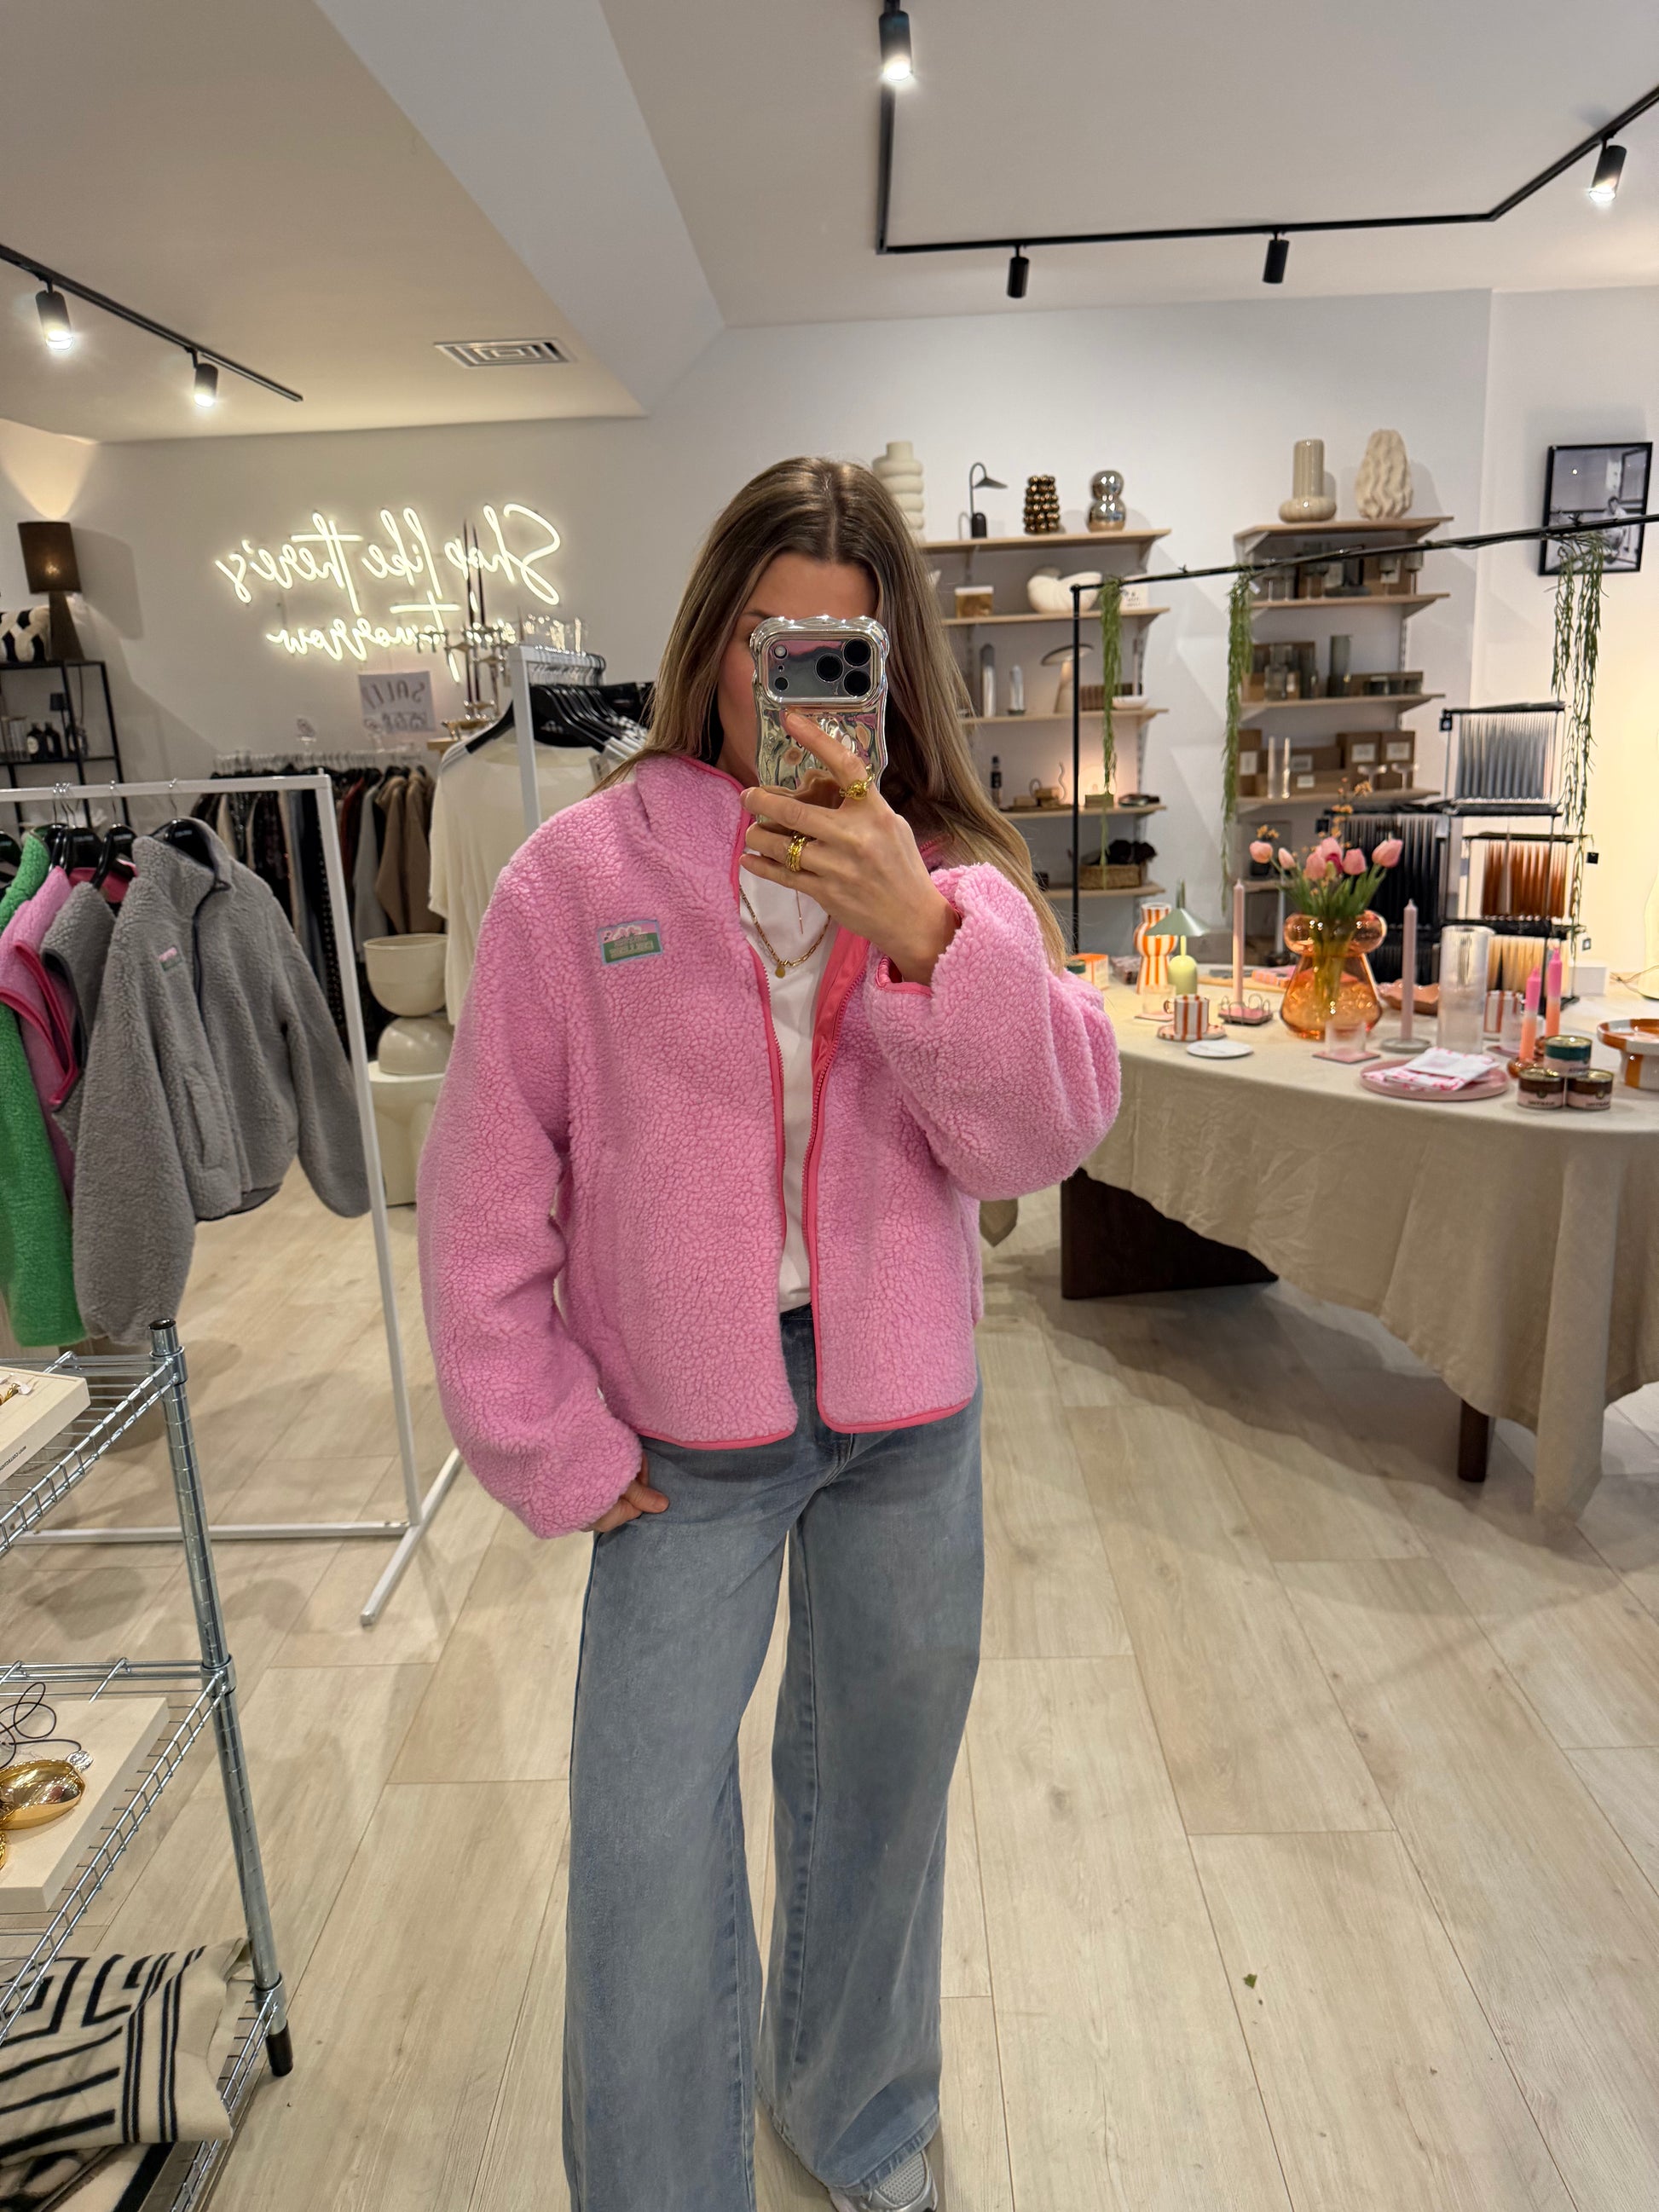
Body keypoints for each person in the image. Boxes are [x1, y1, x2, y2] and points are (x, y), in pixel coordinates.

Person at [418, 456, 1119, 2211]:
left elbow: (1038, 1140)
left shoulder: (953, 879)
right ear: (711, 647)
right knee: (644, 1833)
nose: (792, 687)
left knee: (882, 1793)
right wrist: (544, 1436)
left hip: (908, 1427)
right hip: (679, 1433)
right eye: (762, 640)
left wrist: (919, 933)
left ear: (891, 673)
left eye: (837, 652)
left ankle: (858, 2119)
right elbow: (487, 1183)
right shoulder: (575, 877)